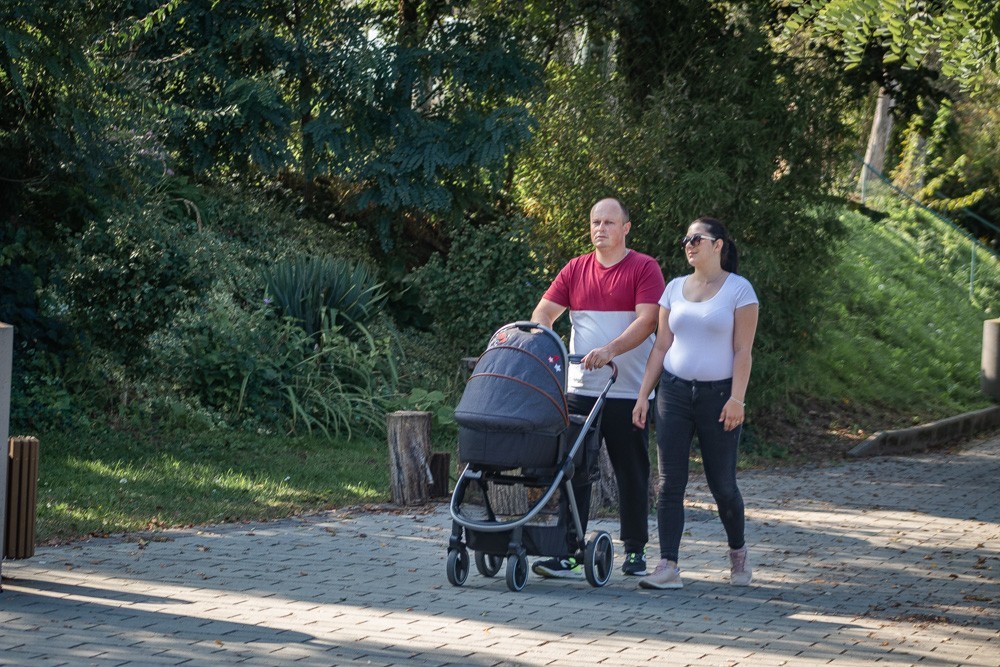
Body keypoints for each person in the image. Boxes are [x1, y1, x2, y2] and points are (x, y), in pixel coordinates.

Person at [529, 197, 665, 579]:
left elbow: (648, 321)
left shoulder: (644, 268)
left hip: (627, 389)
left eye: (608, 222)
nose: (600, 229)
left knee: (632, 470)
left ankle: (635, 551)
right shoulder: (575, 269)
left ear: (626, 228)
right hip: (581, 388)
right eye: (594, 222)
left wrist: (609, 351)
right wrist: (544, 337)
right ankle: (568, 549)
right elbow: (544, 312)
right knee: (573, 469)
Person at [632, 216, 759, 589]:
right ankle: (668, 565)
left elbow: (742, 350)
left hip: (719, 397)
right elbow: (661, 345)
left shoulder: (739, 290)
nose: (689, 244)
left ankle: (738, 552)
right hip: (673, 393)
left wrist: (738, 398)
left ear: (718, 245)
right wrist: (644, 395)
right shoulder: (672, 288)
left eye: (697, 238)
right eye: (686, 239)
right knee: (669, 483)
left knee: (722, 485)